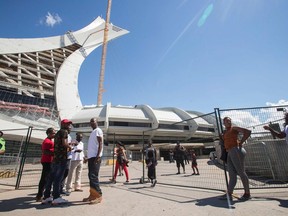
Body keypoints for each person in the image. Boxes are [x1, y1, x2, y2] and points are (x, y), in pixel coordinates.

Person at [220, 116, 251, 201]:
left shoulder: (234, 128)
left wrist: (241, 142)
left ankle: (247, 193)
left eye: (229, 121)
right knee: (231, 174)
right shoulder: (225, 132)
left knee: (241, 172)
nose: (228, 122)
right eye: (226, 121)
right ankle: (229, 193)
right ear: (224, 123)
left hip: (235, 150)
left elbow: (247, 132)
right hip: (229, 151)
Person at [41, 119, 73, 205]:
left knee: (51, 177)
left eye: (69, 124)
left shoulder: (58, 133)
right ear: (63, 124)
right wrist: (70, 147)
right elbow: (64, 143)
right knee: (58, 177)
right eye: (67, 124)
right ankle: (56, 197)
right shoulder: (64, 132)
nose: (69, 126)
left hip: (55, 157)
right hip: (62, 157)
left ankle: (46, 196)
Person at [82, 118, 103, 204]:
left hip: (95, 157)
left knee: (93, 176)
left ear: (97, 122)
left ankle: (98, 195)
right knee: (91, 176)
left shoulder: (98, 130)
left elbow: (100, 143)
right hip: (91, 157)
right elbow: (92, 147)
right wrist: (87, 157)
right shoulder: (93, 132)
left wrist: (98, 156)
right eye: (90, 122)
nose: (91, 123)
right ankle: (92, 195)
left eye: (93, 121)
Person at [35, 127, 56, 202]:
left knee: (46, 178)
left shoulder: (50, 141)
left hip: (49, 161)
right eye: (53, 133)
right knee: (44, 178)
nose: (54, 134)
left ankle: (41, 194)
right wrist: (55, 153)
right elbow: (45, 152)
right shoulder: (47, 141)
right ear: (49, 133)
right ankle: (39, 195)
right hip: (47, 161)